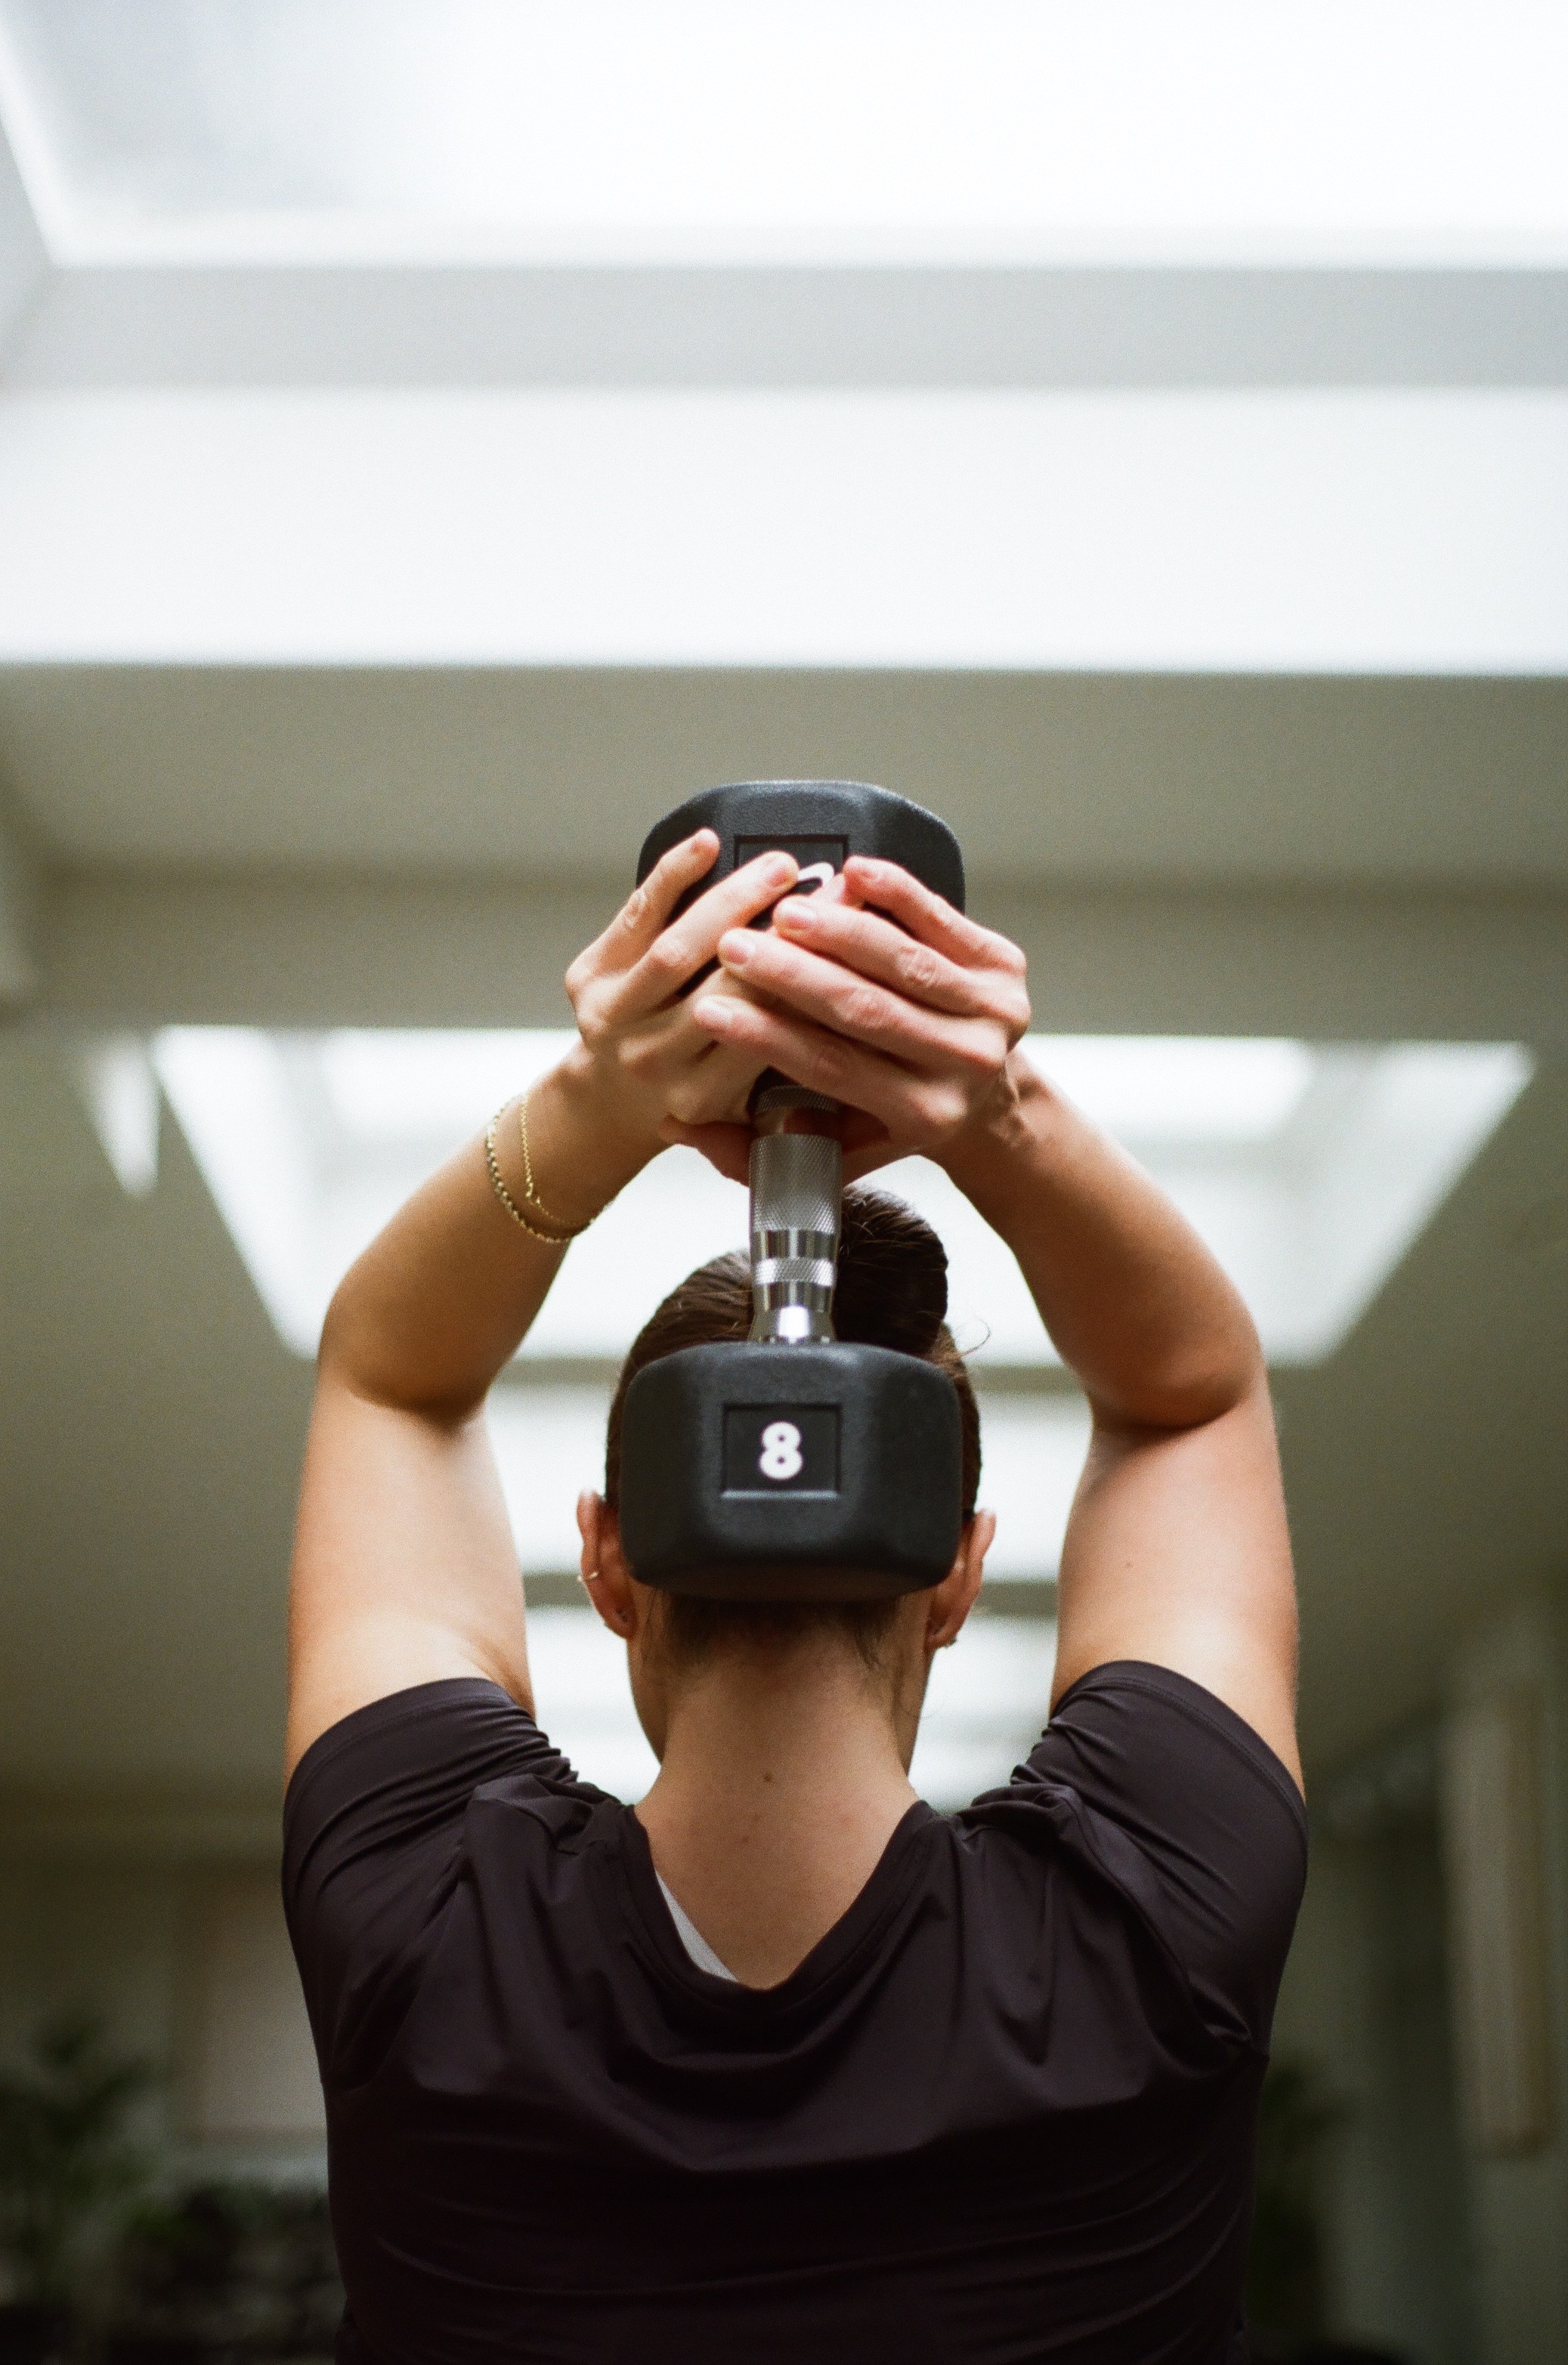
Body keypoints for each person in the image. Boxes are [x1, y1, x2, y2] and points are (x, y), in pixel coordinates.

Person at [283, 829, 1306, 2364]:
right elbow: (1192, 1397)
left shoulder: (424, 1926)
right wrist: (986, 1104)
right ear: (956, 1570)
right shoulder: (1154, 1930)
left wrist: (606, 1096)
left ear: (609, 1557)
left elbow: (390, 1375)